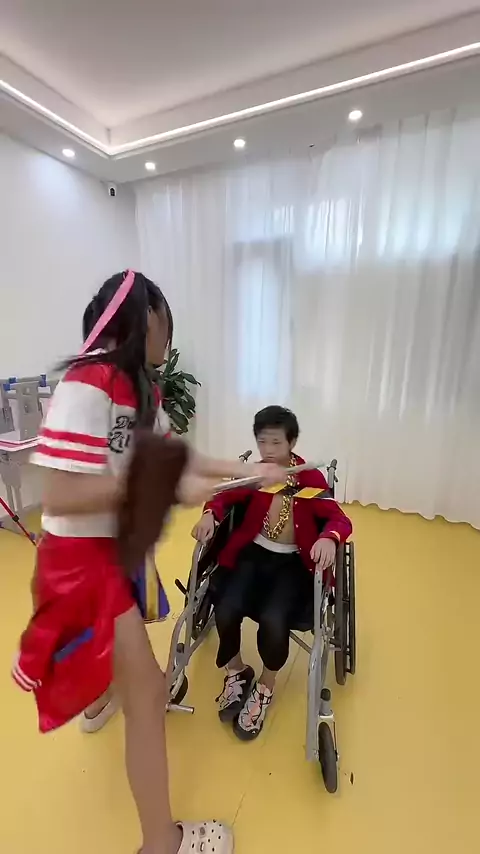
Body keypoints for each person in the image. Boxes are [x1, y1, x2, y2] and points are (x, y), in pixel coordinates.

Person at [12, 271, 284, 854]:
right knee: (151, 696)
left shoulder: (138, 392)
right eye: (164, 316)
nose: (170, 330)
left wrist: (248, 472)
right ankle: (162, 842)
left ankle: (97, 701)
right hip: (84, 563)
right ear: (142, 317)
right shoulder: (88, 384)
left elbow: (177, 457)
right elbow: (60, 495)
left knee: (122, 666)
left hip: (109, 556)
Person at [192, 405, 352, 742]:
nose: (268, 450)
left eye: (276, 442)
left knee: (274, 620)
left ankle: (265, 686)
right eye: (262, 442)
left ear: (291, 442)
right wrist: (210, 515)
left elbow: (339, 519)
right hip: (252, 554)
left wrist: (328, 537)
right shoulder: (255, 473)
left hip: (293, 563)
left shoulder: (308, 477)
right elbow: (223, 497)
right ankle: (237, 671)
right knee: (226, 607)